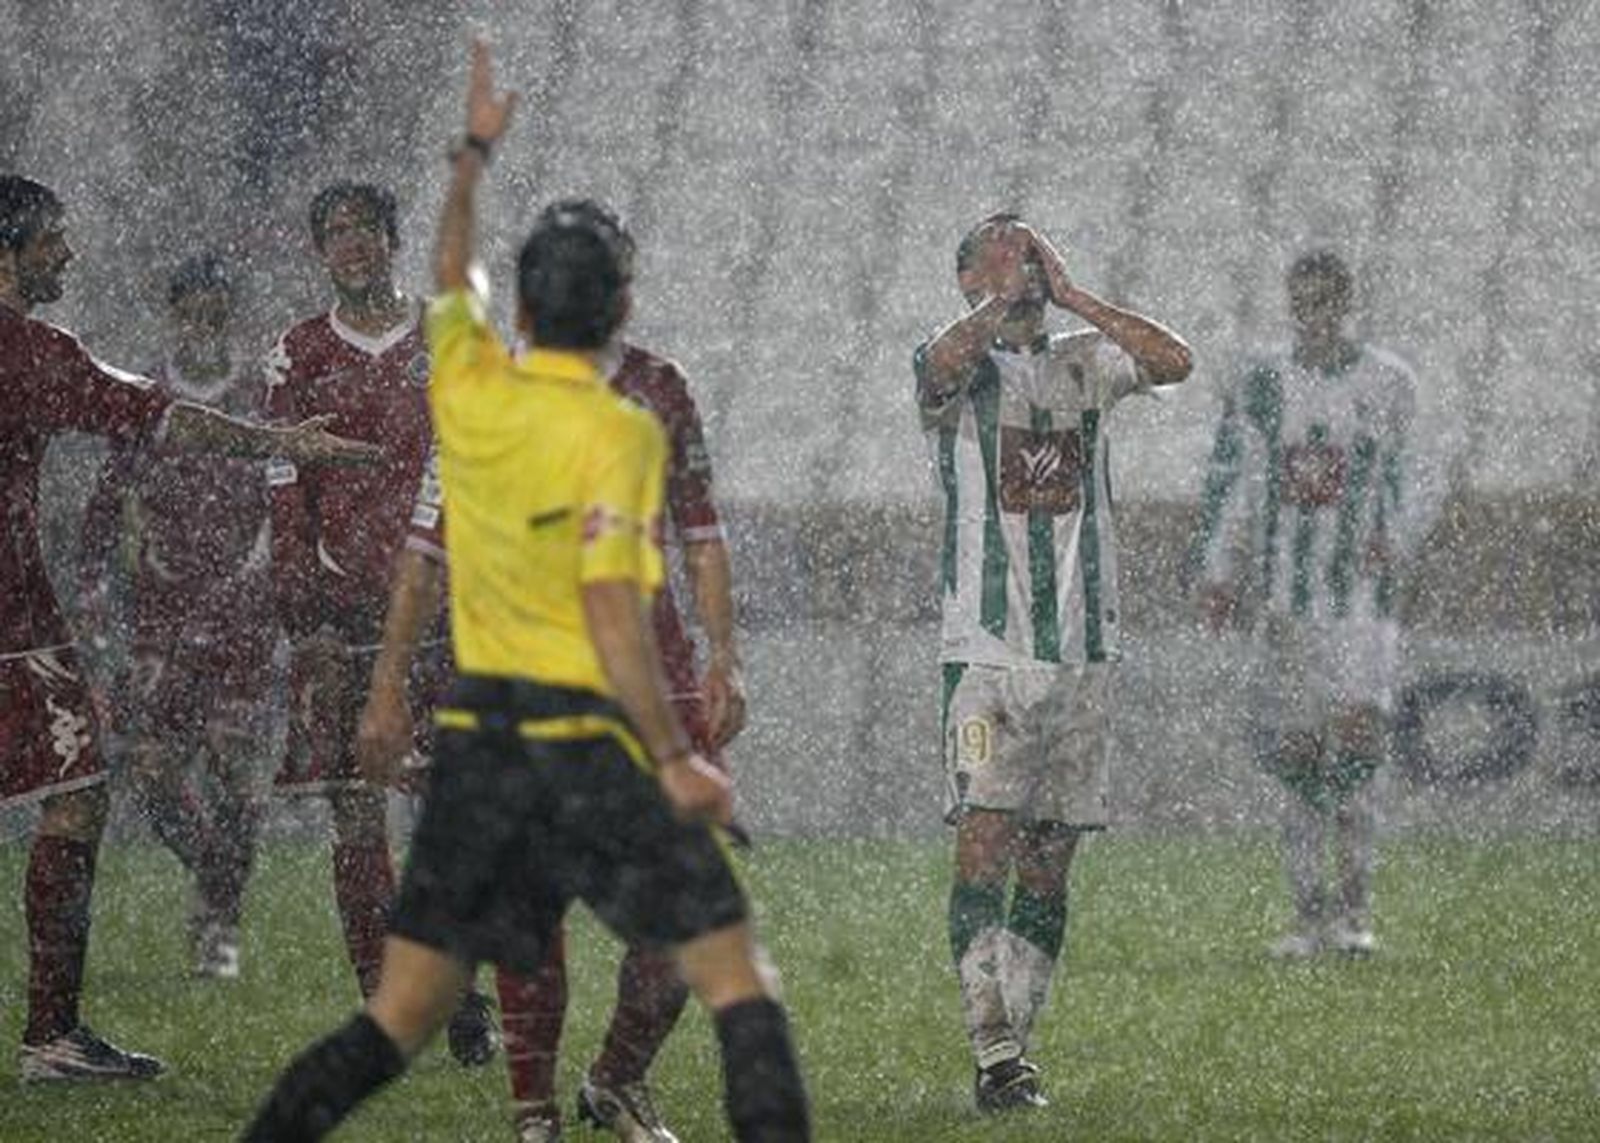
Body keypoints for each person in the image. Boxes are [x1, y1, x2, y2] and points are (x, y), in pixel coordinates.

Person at [242, 40, 810, 1143]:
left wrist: (469, 158)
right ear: (622, 303)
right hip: (586, 729)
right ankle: (593, 1097)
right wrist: (680, 752)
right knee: (735, 973)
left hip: (483, 738)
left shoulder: (470, 385)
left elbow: (420, 540)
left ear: (526, 308)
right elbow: (610, 608)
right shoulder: (618, 427)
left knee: (398, 1017)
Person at [355, 199, 747, 1143]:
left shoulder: (660, 388)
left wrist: (725, 654)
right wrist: (388, 682)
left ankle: (613, 1081)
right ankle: (533, 1111)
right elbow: (426, 552)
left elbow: (700, 532)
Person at [0, 173, 375, 1081]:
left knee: (131, 779)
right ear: (7, 250)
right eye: (52, 239)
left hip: (219, 614)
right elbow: (157, 423)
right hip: (20, 611)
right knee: (84, 786)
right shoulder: (29, 349)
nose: (69, 253)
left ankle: (208, 912)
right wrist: (281, 442)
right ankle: (51, 1033)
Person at [913, 213, 1191, 1112]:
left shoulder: (1085, 360)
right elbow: (939, 370)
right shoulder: (956, 363)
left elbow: (1176, 360)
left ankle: (1013, 1050)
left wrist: (1074, 297)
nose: (1021, 260)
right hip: (988, 658)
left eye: (1029, 249)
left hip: (1085, 657)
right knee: (984, 840)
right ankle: (991, 1044)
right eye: (998, 250)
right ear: (966, 278)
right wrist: (999, 303)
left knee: (1049, 859)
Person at [263, 178, 494, 1061]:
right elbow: (283, 483)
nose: (351, 245)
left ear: (394, 239)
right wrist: (299, 606)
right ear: (320, 251)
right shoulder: (293, 355)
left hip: (443, 608)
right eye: (334, 233)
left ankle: (466, 997)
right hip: (342, 614)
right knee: (355, 815)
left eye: (365, 229)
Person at [1186, 249, 1415, 959]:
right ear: (1293, 304)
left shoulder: (1389, 381)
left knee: (1353, 756)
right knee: (1299, 758)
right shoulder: (1263, 382)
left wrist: (1395, 538)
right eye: (1303, 301)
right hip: (1287, 602)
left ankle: (1354, 912)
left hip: (1360, 608)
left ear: (1346, 302)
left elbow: (1415, 473)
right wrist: (1219, 572)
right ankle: (1307, 914)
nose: (1314, 314)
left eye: (1326, 301)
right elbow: (1238, 478)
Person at [77, 251, 276, 980]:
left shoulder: (258, 392)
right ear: (174, 311)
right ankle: (214, 873)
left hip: (244, 617)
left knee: (238, 771)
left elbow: (283, 493)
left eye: (215, 304)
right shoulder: (146, 396)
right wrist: (99, 603)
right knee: (153, 768)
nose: (203, 316)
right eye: (190, 304)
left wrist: (273, 584)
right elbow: (103, 510)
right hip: (162, 618)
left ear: (230, 311)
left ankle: (218, 923)